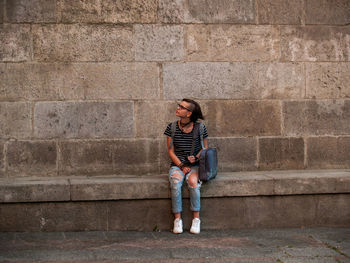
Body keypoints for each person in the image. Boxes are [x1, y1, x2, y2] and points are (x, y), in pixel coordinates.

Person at [164, 98, 208, 234]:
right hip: (178, 165)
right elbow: (170, 151)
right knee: (176, 182)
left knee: (193, 183)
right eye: (179, 106)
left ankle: (196, 219)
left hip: (195, 166)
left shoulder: (200, 128)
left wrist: (196, 157)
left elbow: (205, 148)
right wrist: (182, 165)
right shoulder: (171, 128)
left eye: (181, 107)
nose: (178, 108)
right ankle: (177, 219)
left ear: (189, 113)